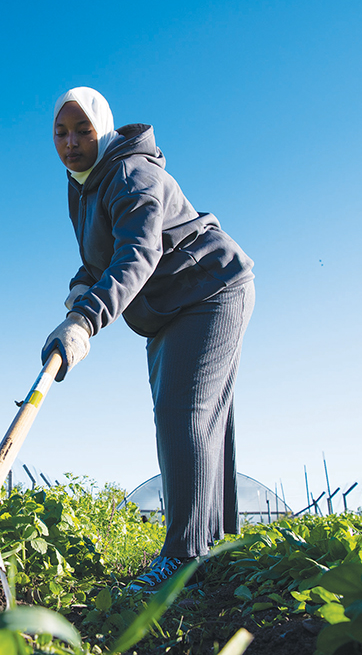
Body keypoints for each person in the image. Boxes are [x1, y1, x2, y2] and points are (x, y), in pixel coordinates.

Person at [41, 87, 255, 593]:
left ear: (104, 129)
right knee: (189, 418)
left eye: (83, 131)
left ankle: (183, 561)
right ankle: (214, 549)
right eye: (61, 132)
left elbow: (136, 253)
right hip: (165, 306)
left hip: (209, 288)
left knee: (185, 413)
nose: (71, 142)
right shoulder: (82, 186)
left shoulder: (133, 174)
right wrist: (80, 284)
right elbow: (101, 255)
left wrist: (84, 319)